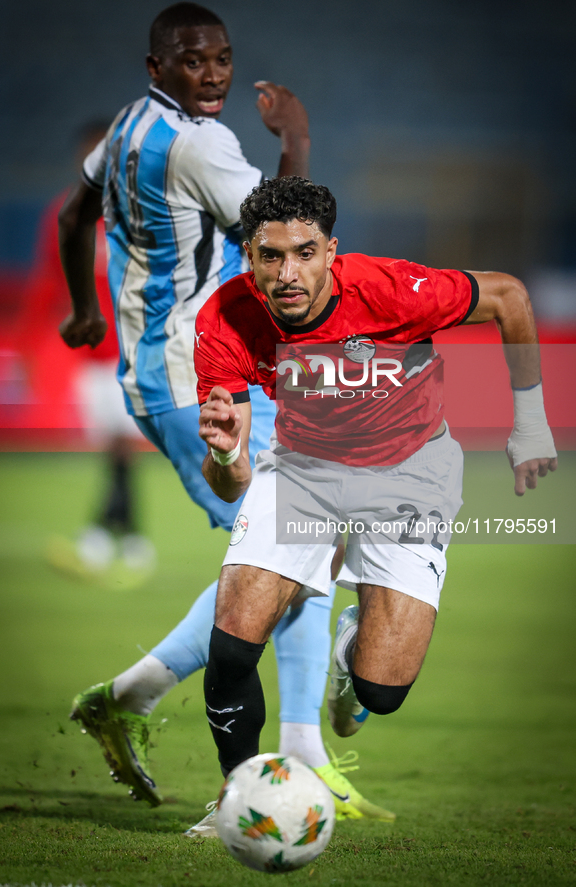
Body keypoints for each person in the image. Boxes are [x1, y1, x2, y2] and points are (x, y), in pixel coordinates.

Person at [58, 2, 387, 836]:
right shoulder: (202, 145)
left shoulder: (130, 126)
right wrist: (299, 138)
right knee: (289, 548)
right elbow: (287, 228)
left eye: (222, 59)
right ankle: (261, 762)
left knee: (299, 543)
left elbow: (72, 215)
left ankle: (162, 707)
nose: (213, 74)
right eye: (193, 60)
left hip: (172, 373)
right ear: (155, 67)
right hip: (197, 378)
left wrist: (83, 312)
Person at [194, 175, 558, 825]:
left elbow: (508, 294)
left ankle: (347, 652)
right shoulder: (224, 318)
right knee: (231, 647)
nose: (287, 273)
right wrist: (225, 454)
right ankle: (236, 799)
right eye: (269, 255)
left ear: (331, 251)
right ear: (248, 257)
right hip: (303, 468)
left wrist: (528, 421)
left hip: (410, 469)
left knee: (380, 692)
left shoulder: (391, 289)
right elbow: (231, 480)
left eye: (303, 253)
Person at [18, 122, 155, 590]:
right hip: (93, 357)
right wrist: (27, 345)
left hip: (137, 352)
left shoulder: (140, 213)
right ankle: (130, 541)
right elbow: (46, 282)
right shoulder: (67, 212)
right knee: (113, 452)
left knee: (123, 448)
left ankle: (102, 540)